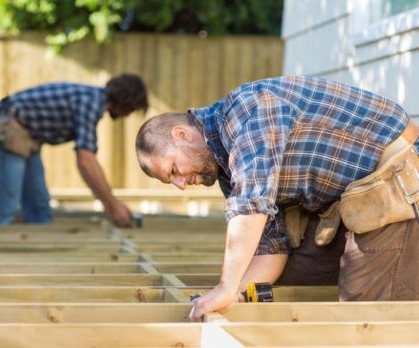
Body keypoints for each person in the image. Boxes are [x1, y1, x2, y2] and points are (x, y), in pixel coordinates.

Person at [135, 76, 419, 321]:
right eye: (171, 181)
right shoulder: (228, 169)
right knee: (299, 279)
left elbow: (251, 205)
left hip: (395, 185)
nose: (181, 185)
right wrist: (233, 295)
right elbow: (271, 250)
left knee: (365, 309)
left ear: (182, 135)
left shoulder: (246, 110)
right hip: (352, 201)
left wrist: (225, 286)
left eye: (174, 170)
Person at [0, 73, 148, 226]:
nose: (128, 115)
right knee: (6, 205)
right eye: (132, 109)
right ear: (127, 102)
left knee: (39, 209)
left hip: (27, 135)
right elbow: (86, 161)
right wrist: (112, 205)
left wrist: (110, 204)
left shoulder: (93, 100)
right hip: (7, 127)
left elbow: (86, 163)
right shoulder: (90, 102)